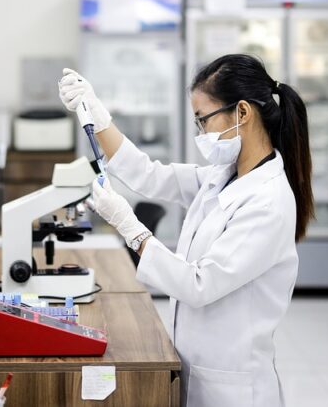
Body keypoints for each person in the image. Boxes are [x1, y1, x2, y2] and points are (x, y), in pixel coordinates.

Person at [58, 54, 313, 407]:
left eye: (202, 120)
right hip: (199, 368)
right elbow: (148, 173)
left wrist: (131, 229)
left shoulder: (267, 202)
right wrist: (97, 115)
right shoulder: (223, 176)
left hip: (234, 388)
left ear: (242, 113)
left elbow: (199, 284)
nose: (201, 134)